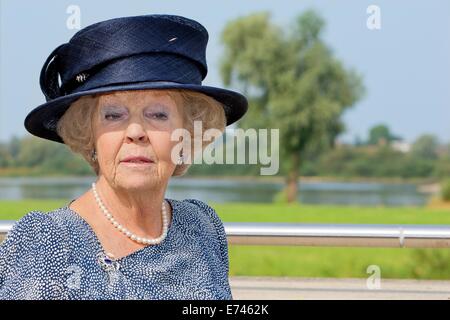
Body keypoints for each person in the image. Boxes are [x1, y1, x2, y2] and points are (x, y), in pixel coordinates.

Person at [0, 14, 248, 300]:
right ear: (89, 133)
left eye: (157, 114)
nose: (135, 131)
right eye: (113, 115)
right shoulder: (47, 242)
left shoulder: (202, 225)